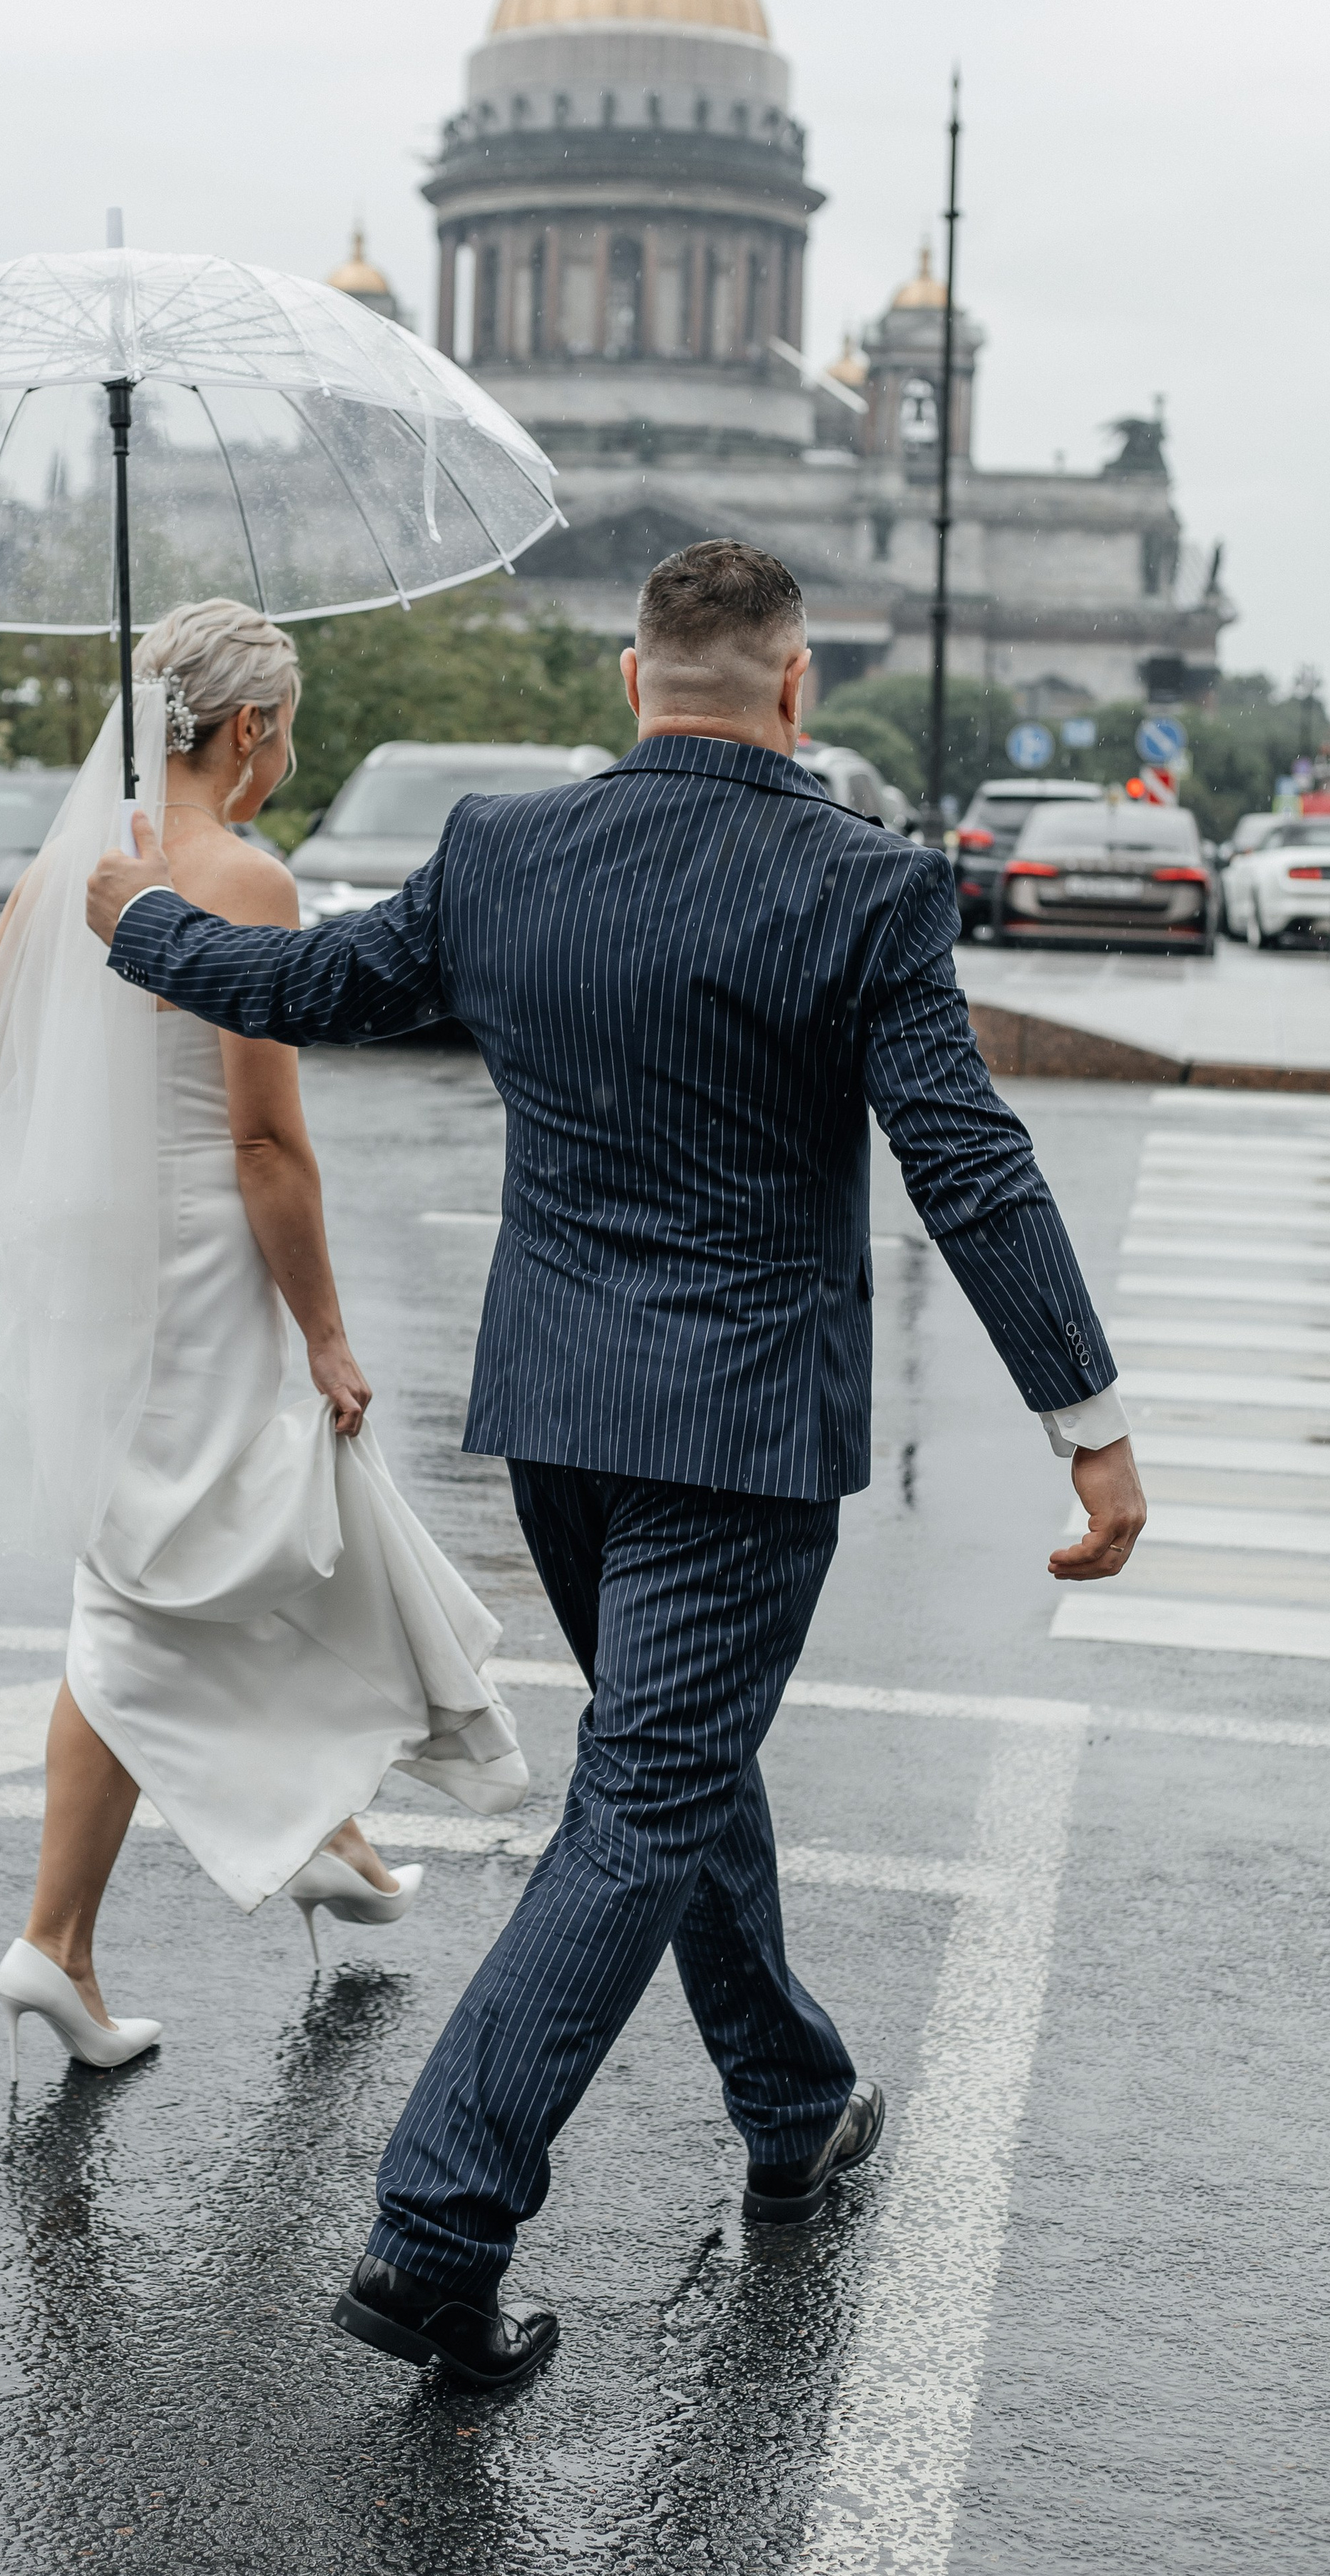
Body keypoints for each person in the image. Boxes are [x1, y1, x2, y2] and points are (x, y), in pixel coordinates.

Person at [85, 541, 1147, 2391]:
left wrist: (137, 924)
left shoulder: (506, 853)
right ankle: (439, 2229)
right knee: (649, 1796)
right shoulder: (869, 887)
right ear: (798, 689)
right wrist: (1092, 1429)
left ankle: (792, 2099)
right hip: (737, 1433)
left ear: (627, 680)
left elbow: (313, 988)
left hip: (560, 1420)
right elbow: (967, 1164)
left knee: (674, 1758)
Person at [0, 599, 528, 2087]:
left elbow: (3, 1084)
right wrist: (329, 1333)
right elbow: (268, 1147)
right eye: (293, 725)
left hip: (96, 1270)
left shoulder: (60, 872)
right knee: (179, 1571)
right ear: (251, 730)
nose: (290, 752)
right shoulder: (244, 881)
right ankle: (60, 1938)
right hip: (206, 1269)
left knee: (212, 1541)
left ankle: (317, 1832)